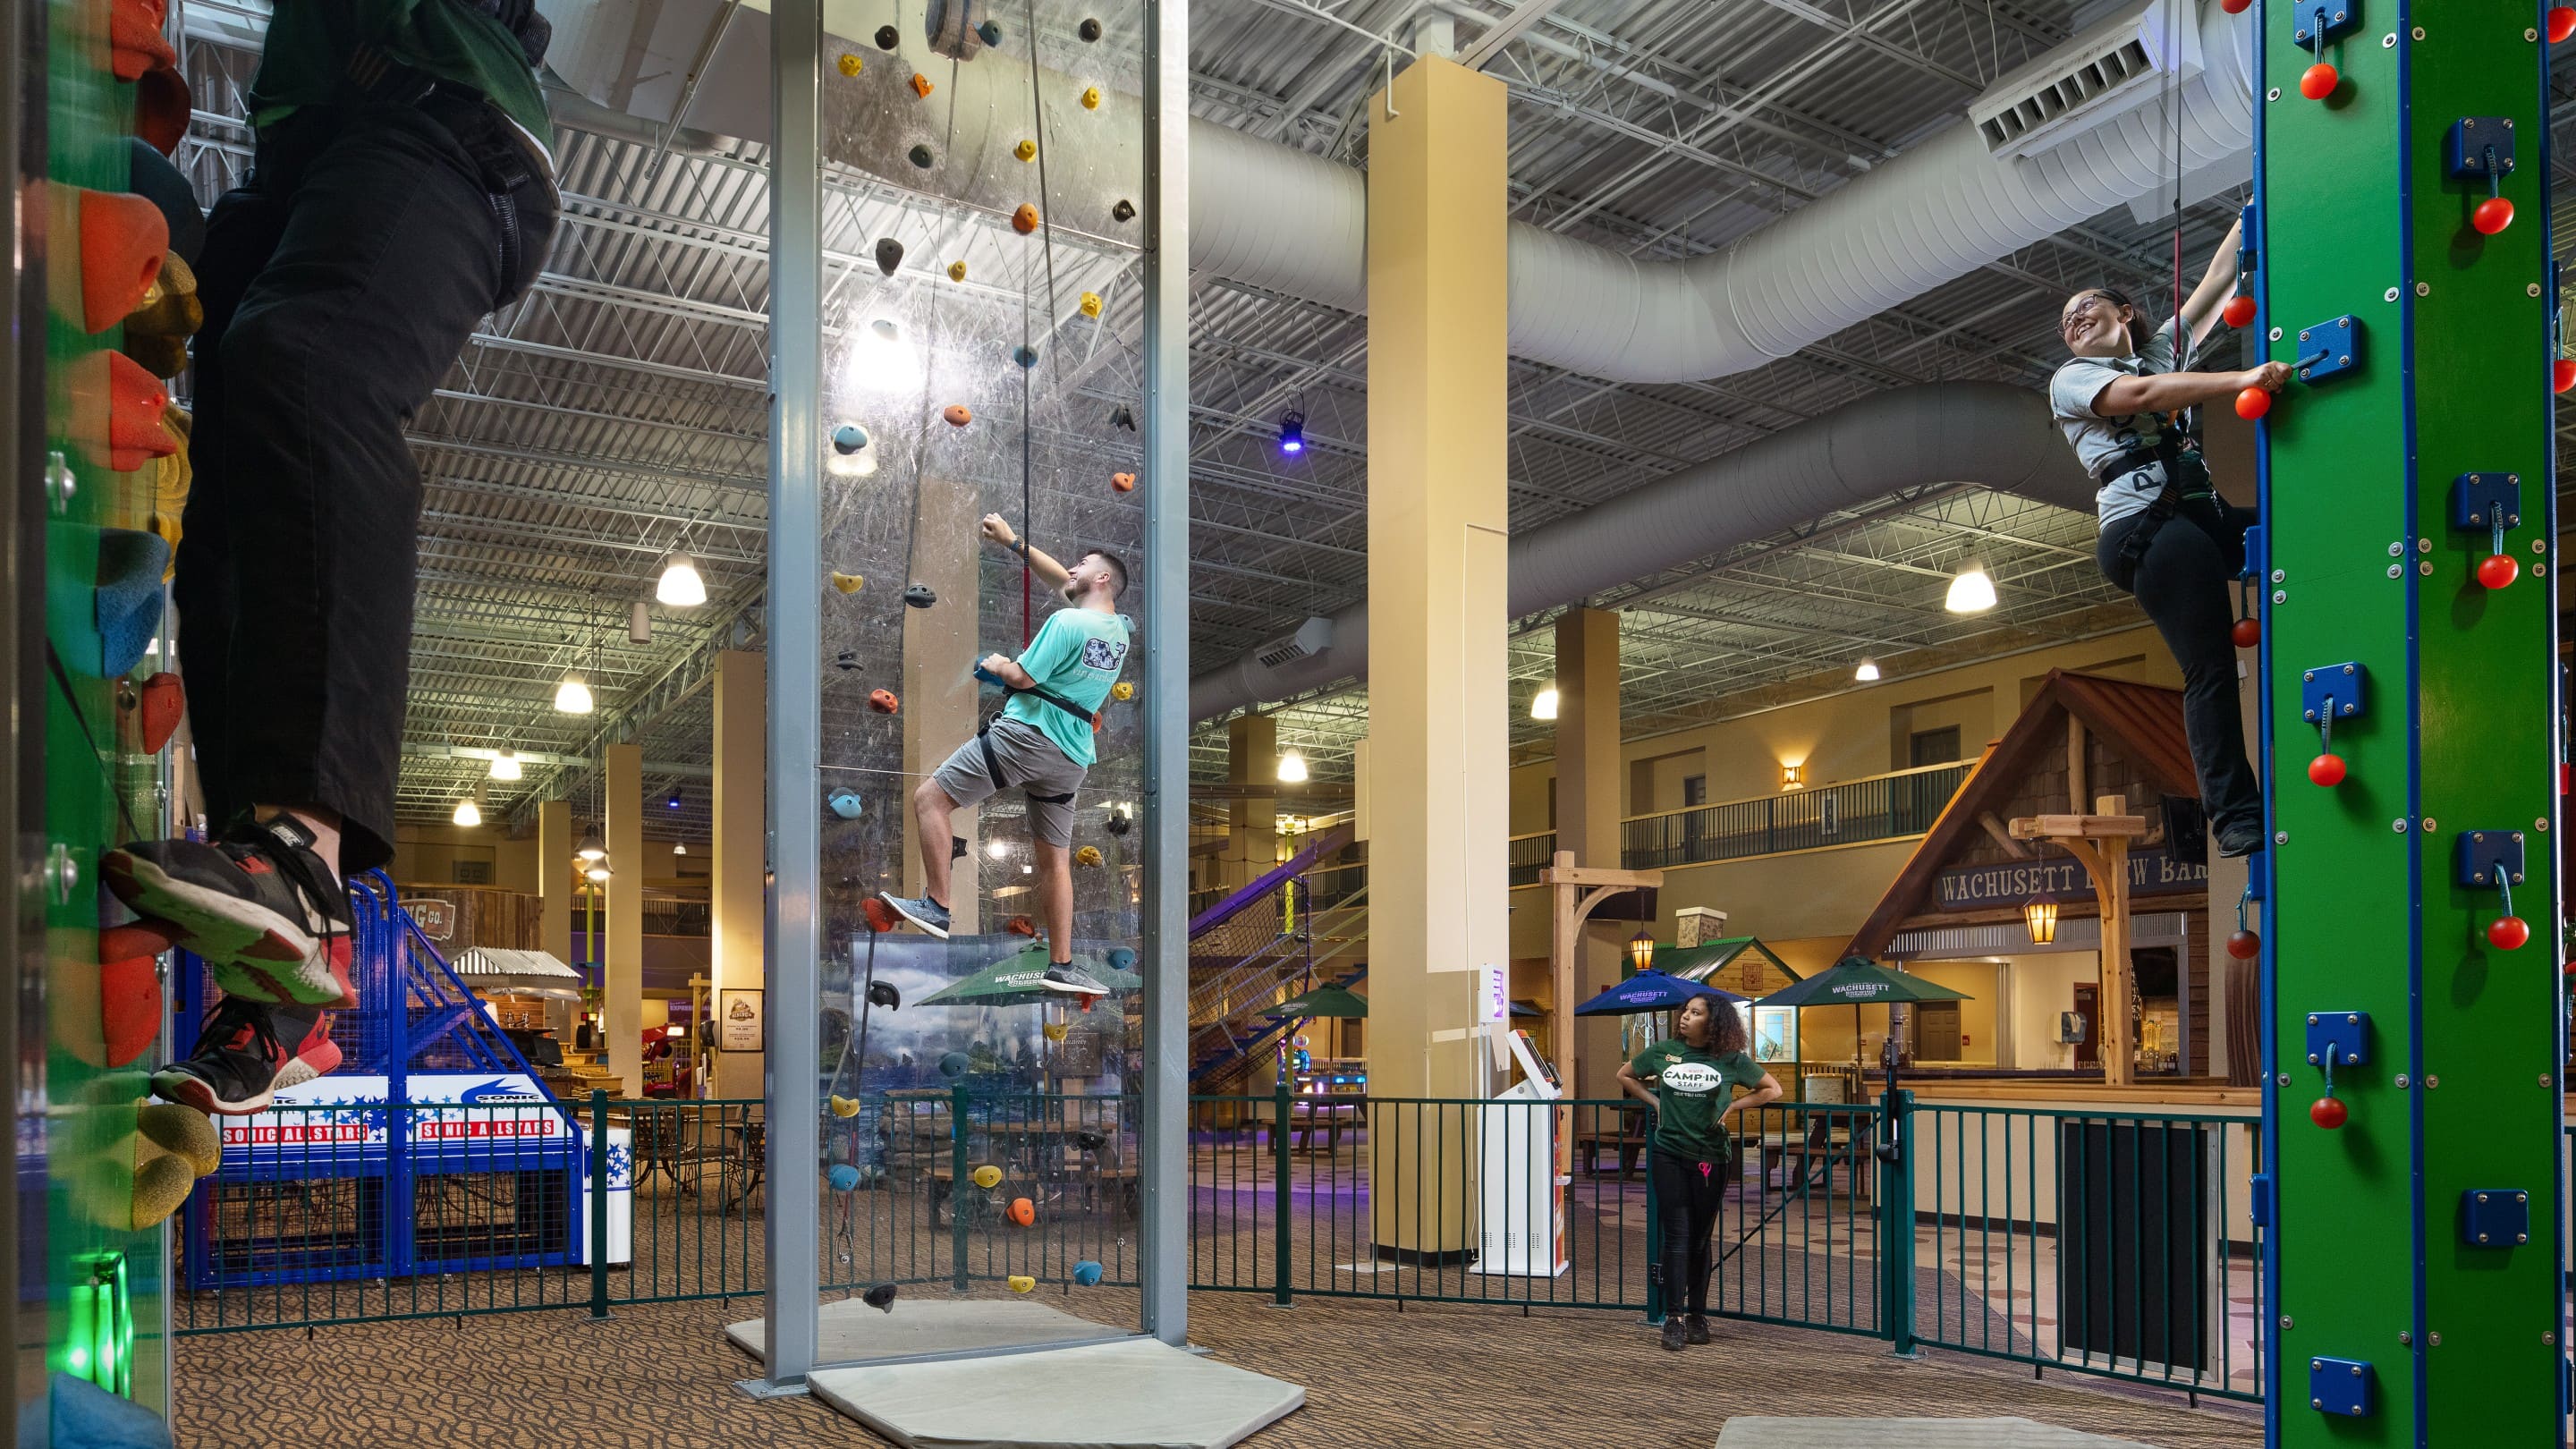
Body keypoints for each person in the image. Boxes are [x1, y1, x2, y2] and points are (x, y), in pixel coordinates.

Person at [97, 0, 560, 1115]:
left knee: (311, 368)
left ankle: (301, 861)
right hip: (313, 146)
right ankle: (282, 980)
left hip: (446, 119)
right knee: (234, 489)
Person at [2049, 218, 2286, 860]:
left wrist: (2249, 213)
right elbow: (2144, 394)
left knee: (2292, 534)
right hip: (2145, 531)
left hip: (2200, 517)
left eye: (2087, 308)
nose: (2075, 321)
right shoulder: (2072, 380)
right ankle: (2235, 815)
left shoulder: (2155, 349)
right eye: (2067, 321)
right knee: (2209, 666)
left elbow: (2213, 286)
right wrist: (2242, 380)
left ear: (2125, 313)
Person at [878, 514, 1132, 996]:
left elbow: (1022, 678)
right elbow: (1063, 579)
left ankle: (937, 906)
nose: (1071, 569)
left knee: (930, 799)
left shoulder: (1066, 621)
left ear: (1101, 578)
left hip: (1028, 735)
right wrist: (1015, 543)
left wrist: (997, 664)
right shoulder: (1117, 630)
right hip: (1071, 755)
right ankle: (1062, 963)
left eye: (1083, 564)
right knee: (1055, 862)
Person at [1616, 993, 1781, 1351]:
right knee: (1677, 1236)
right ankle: (1672, 1319)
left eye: (1695, 1013)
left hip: (1712, 1156)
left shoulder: (1731, 1060)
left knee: (1701, 1238)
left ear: (1714, 1021)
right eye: (1685, 1011)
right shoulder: (1664, 1052)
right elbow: (1626, 1075)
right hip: (1669, 1153)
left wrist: (1736, 1104)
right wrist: (1656, 1101)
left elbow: (1772, 1088)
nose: (1685, 1017)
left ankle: (1697, 1315)